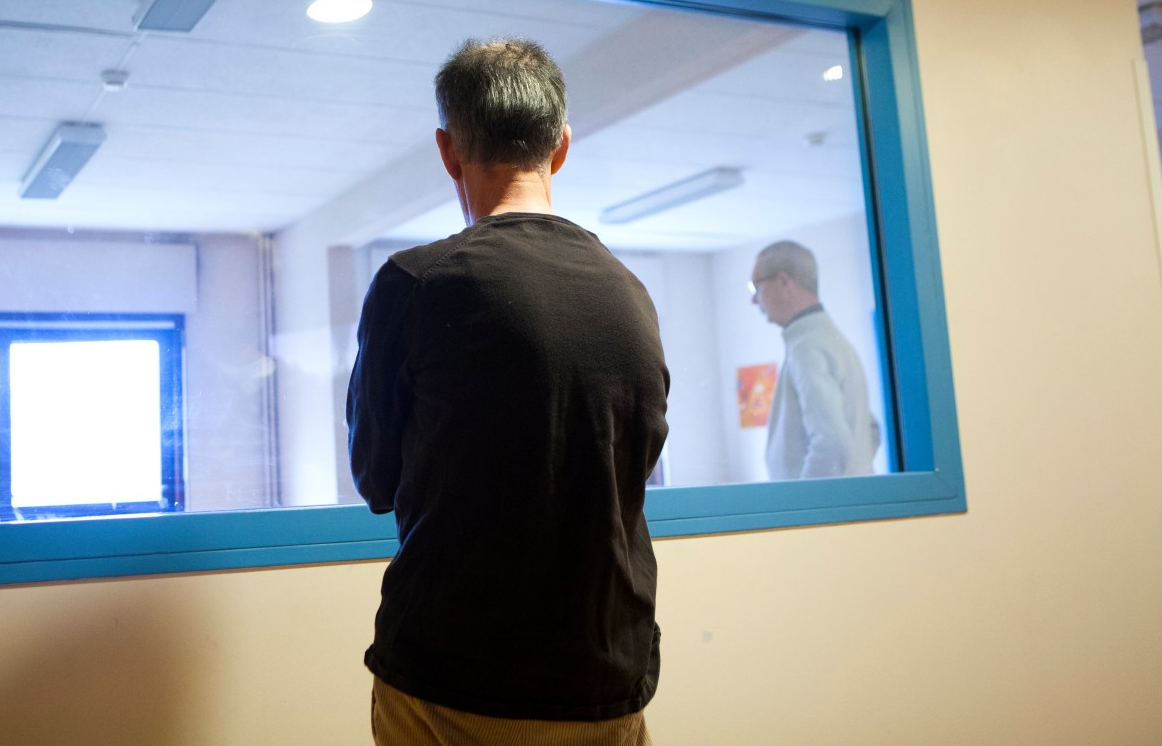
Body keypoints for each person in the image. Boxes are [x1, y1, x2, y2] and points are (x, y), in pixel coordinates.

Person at [348, 38, 670, 745]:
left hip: (452, 677)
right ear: (560, 147)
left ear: (447, 149)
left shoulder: (415, 283)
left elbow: (375, 478)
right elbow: (631, 474)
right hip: (607, 680)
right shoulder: (631, 293)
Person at [749, 240, 879, 480]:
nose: (754, 300)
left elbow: (832, 443)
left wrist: (804, 506)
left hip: (816, 511)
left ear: (783, 281)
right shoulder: (835, 341)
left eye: (756, 287)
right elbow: (869, 431)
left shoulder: (807, 347)